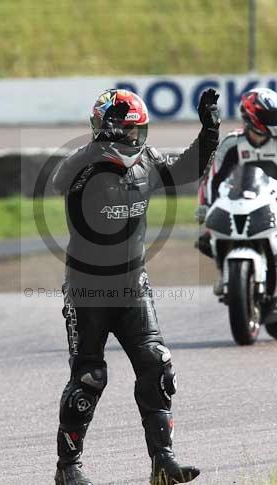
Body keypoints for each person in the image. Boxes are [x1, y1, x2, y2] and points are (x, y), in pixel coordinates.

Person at [50, 88, 220, 485]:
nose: (137, 140)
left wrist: (209, 131)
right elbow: (59, 180)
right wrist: (97, 154)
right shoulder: (82, 167)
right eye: (130, 132)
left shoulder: (146, 161)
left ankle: (163, 462)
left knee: (157, 368)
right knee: (89, 379)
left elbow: (185, 169)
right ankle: (68, 468)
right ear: (109, 131)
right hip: (87, 290)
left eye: (139, 132)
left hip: (133, 288)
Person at [196, 87, 277, 298]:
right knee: (208, 237)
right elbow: (212, 178)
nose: (276, 120)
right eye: (269, 116)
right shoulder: (231, 143)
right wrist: (206, 205)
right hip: (241, 199)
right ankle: (227, 272)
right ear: (252, 117)